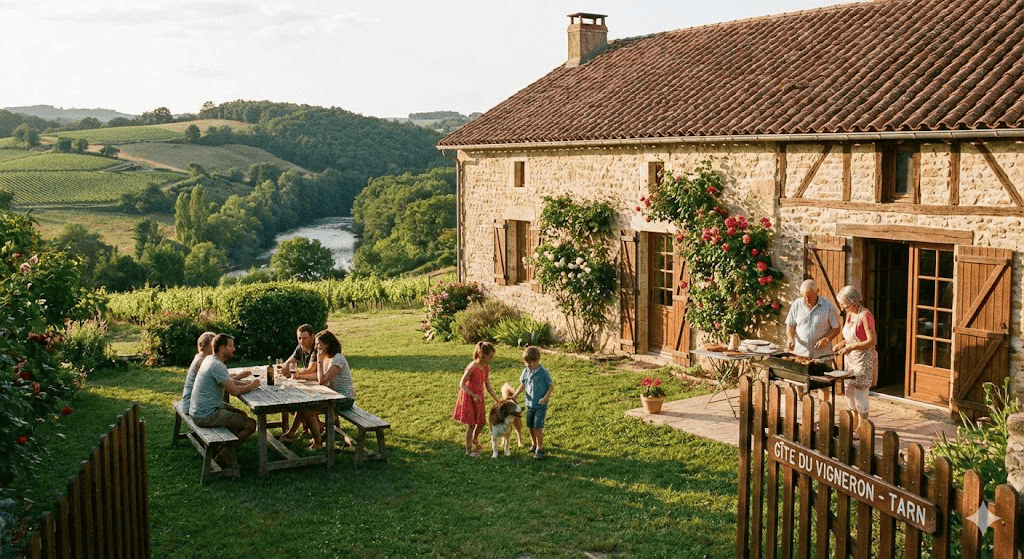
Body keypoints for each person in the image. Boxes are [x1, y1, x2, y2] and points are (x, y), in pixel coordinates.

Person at [190, 334, 260, 462]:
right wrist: (251, 385)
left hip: (199, 410)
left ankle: (223, 446)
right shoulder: (218, 365)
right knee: (251, 424)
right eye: (231, 346)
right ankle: (224, 454)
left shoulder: (209, 360)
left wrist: (246, 383)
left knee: (242, 415)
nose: (234, 349)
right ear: (222, 349)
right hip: (205, 414)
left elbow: (228, 382)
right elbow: (233, 391)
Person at [281, 330, 356, 450]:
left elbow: (322, 380)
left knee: (308, 411)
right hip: (331, 396)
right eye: (316, 344)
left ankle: (318, 442)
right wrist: (299, 376)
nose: (316, 347)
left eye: (319, 344)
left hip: (344, 399)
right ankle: (291, 433)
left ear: (328, 345)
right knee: (302, 405)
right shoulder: (327, 358)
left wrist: (319, 360)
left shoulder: (338, 359)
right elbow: (318, 376)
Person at [834, 285, 878, 435]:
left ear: (853, 301)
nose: (844, 307)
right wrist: (839, 345)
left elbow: (872, 341)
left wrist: (851, 347)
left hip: (863, 360)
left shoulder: (866, 315)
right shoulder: (850, 314)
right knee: (849, 392)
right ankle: (854, 422)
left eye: (845, 304)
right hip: (850, 360)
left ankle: (863, 427)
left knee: (860, 395)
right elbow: (848, 338)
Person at [452, 341, 499, 458]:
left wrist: (496, 399)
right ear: (482, 355)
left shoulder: (485, 367)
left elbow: (487, 384)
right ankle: (468, 450)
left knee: (482, 422)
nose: (492, 359)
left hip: (479, 398)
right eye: (490, 357)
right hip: (469, 397)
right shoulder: (472, 368)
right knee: (471, 425)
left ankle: (475, 438)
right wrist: (472, 394)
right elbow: (462, 384)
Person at [512, 346, 553, 460]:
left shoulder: (543, 372)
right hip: (529, 404)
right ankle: (533, 444)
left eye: (530, 362)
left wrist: (545, 398)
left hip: (540, 405)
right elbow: (523, 385)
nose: (528, 365)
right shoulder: (526, 371)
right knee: (530, 426)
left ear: (537, 360)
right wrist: (515, 395)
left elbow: (551, 387)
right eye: (526, 362)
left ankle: (540, 448)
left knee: (538, 427)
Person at [785, 279, 842, 359]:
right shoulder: (797, 304)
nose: (807, 299)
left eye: (810, 296)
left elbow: (836, 328)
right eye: (804, 296)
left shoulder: (828, 305)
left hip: (822, 355)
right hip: (801, 354)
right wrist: (790, 338)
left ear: (817, 291)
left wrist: (827, 339)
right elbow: (790, 325)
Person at [180, 331, 216, 413]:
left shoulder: (200, 357)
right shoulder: (201, 362)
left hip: (194, 402)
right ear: (210, 347)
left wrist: (235, 376)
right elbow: (217, 380)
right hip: (191, 406)